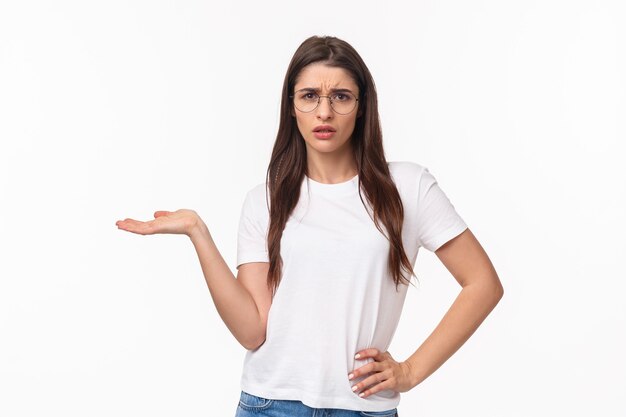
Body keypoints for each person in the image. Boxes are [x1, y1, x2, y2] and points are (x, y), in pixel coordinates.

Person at [115, 35, 504, 417]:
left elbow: (483, 283)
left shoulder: (408, 187)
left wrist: (410, 372)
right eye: (309, 96)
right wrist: (198, 232)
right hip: (269, 404)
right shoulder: (265, 200)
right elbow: (252, 331)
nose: (324, 112)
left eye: (341, 97)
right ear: (291, 106)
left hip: (362, 408)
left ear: (362, 106)